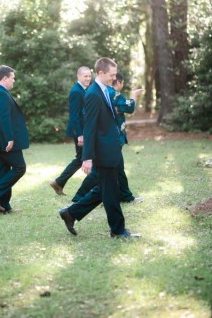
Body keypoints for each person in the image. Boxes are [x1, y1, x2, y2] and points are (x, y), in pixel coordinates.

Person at [59, 57, 140, 239]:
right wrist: (87, 157)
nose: (114, 78)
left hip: (110, 148)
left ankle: (71, 213)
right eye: (111, 75)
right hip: (102, 151)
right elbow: (89, 127)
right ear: (101, 73)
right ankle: (118, 230)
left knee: (105, 189)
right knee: (110, 190)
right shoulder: (93, 94)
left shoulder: (107, 90)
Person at [70, 72, 143, 204]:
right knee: (98, 173)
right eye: (112, 75)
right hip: (109, 140)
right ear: (118, 82)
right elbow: (129, 106)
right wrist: (134, 95)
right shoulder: (109, 92)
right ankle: (79, 198)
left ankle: (126, 196)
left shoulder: (103, 91)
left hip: (112, 139)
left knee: (118, 169)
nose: (113, 78)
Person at [0, 65, 30, 214]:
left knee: (3, 171)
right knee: (20, 167)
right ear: (5, 78)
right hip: (5, 140)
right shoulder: (1, 94)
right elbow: (4, 118)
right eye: (12, 78)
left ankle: (4, 206)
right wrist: (10, 138)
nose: (13, 81)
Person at [50, 66, 91, 195]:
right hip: (79, 132)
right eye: (85, 76)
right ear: (78, 76)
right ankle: (91, 190)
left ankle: (59, 182)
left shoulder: (83, 90)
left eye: (89, 76)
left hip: (84, 131)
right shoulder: (76, 91)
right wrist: (79, 134)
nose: (88, 78)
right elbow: (74, 115)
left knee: (81, 159)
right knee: (84, 158)